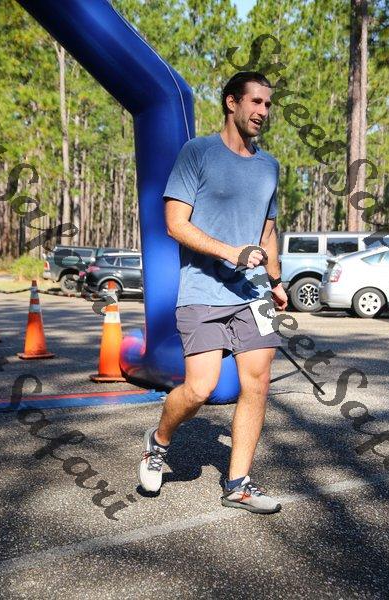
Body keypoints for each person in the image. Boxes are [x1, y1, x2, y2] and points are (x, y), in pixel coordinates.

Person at [138, 71, 288, 514]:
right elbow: (175, 224)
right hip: (202, 291)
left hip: (254, 296)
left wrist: (276, 281)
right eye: (255, 102)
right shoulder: (197, 152)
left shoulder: (269, 166)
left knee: (256, 384)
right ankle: (158, 441)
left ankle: (238, 483)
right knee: (200, 389)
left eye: (268, 104)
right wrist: (230, 252)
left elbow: (267, 231)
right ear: (231, 102)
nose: (263, 111)